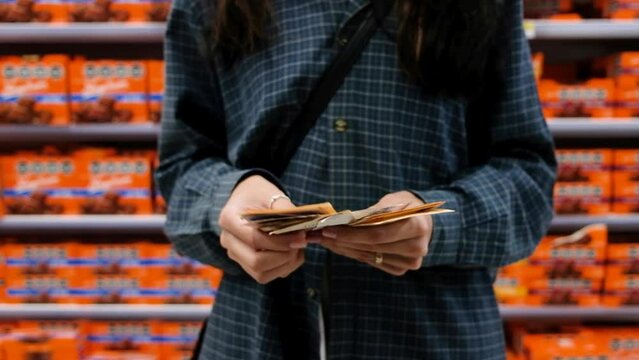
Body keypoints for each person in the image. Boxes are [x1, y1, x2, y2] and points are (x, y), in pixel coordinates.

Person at [156, 0, 557, 359]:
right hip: (255, 330)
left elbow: (528, 176)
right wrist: (227, 197)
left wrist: (439, 224)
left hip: (434, 333)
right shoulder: (206, 7)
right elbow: (181, 167)